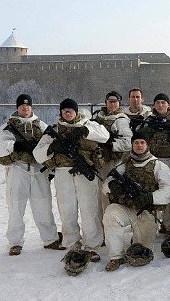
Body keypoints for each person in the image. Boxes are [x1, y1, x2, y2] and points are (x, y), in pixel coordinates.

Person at [33, 98, 110, 260]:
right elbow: (37, 154)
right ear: (61, 113)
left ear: (76, 111)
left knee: (89, 209)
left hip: (85, 172)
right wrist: (52, 147)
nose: (68, 113)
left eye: (71, 110)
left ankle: (91, 244)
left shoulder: (88, 124)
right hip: (63, 173)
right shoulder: (54, 130)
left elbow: (105, 135)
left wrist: (85, 131)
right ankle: (71, 242)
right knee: (67, 210)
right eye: (64, 111)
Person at [0, 94, 63, 256]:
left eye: (27, 105)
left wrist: (51, 170)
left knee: (43, 206)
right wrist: (14, 145)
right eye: (22, 105)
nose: (25, 107)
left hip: (38, 170)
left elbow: (51, 146)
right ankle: (15, 242)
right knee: (16, 207)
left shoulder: (40, 125)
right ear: (17, 107)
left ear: (32, 107)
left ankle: (50, 239)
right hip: (18, 169)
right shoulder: (8, 126)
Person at [102, 132, 170, 271]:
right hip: (127, 208)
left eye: (142, 142)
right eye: (136, 142)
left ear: (147, 145)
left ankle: (136, 239)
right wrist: (112, 186)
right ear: (132, 145)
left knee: (142, 252)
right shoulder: (124, 164)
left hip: (147, 211)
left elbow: (168, 189)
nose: (139, 145)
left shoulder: (158, 165)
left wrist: (149, 197)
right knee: (111, 214)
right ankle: (116, 257)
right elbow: (107, 183)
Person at [139, 93, 170, 235]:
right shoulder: (148, 121)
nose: (160, 105)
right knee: (151, 191)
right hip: (152, 161)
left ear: (168, 105)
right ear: (154, 105)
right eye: (158, 103)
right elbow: (140, 138)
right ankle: (150, 226)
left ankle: (168, 225)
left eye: (163, 102)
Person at [91, 91, 132, 216]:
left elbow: (128, 143)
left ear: (119, 103)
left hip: (112, 162)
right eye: (110, 101)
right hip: (96, 160)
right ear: (106, 103)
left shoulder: (121, 120)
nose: (112, 104)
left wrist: (111, 144)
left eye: (115, 102)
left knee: (108, 193)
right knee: (96, 196)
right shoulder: (98, 117)